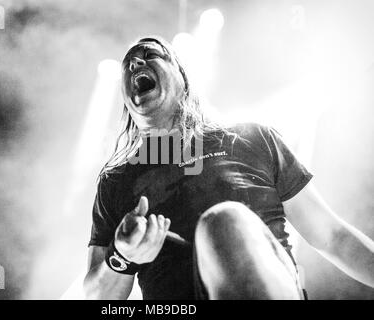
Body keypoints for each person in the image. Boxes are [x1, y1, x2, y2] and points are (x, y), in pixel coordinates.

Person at [83, 36, 374, 300]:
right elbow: (97, 297)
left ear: (182, 76)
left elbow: (333, 237)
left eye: (150, 54)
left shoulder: (253, 139)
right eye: (128, 64)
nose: (135, 63)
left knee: (223, 222)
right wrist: (121, 257)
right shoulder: (116, 181)